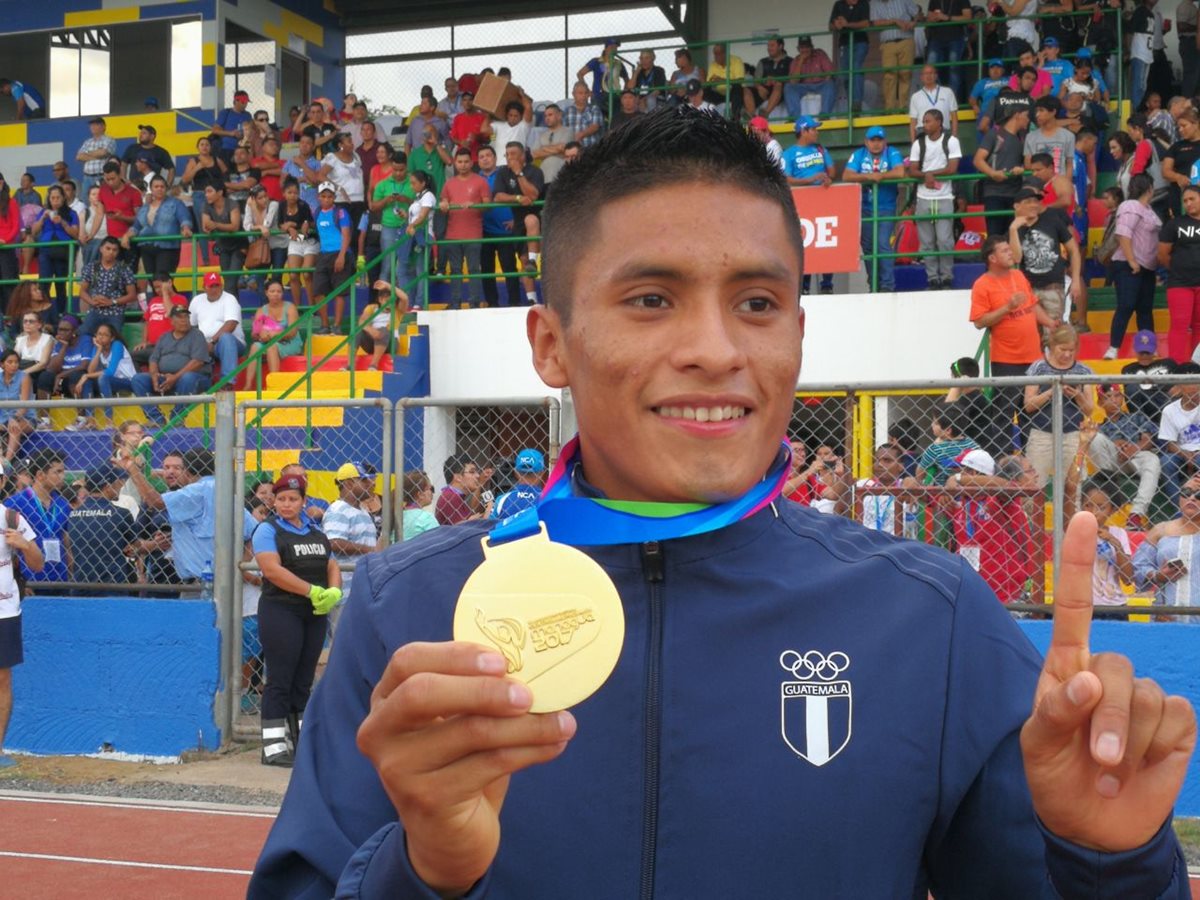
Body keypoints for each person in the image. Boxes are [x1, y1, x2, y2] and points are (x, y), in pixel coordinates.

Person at [251, 108, 1196, 898]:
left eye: (756, 303)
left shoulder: (933, 620)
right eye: (652, 299)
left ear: (796, 330)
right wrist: (424, 872)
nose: (716, 348)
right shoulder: (405, 610)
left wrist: (1107, 862)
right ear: (550, 344)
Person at [249, 471, 340, 766]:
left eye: (293, 499)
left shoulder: (315, 531)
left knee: (304, 679)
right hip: (281, 609)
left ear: (303, 501)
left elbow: (331, 564)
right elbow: (271, 570)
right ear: (274, 501)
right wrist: (311, 590)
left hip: (312, 613)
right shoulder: (267, 530)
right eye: (281, 499)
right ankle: (273, 746)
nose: (286, 504)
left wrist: (334, 591)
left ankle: (303, 740)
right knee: (280, 678)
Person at [970, 236, 1054, 438]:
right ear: (992, 257)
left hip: (1034, 358)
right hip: (1006, 359)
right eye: (1005, 250)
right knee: (1004, 413)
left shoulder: (1018, 275)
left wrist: (1051, 323)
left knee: (1033, 412)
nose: (1011, 253)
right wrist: (1008, 307)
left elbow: (1032, 306)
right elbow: (979, 321)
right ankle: (1004, 461)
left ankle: (1031, 460)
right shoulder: (982, 284)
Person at [0, 479, 43, 768]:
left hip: (4, 611)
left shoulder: (10, 517)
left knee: (2, 679)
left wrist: (25, 545)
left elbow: (38, 564)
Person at [1023, 325, 1096, 491]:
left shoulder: (1082, 371)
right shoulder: (1038, 368)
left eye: (1071, 350)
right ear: (1052, 345)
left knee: (1073, 487)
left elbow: (1089, 409)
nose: (1067, 354)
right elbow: (1029, 405)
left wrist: (1077, 395)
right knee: (1033, 486)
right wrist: (1051, 392)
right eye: (1063, 349)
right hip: (1042, 433)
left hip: (1072, 434)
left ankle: (1072, 517)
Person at [1102, 172, 1163, 361]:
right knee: (1126, 306)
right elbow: (1123, 234)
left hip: (1147, 267)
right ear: (1150, 189)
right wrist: (1131, 261)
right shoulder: (1131, 206)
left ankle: (1148, 349)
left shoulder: (1149, 209)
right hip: (1129, 265)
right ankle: (1113, 348)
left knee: (1145, 309)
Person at [1009, 183, 1082, 330]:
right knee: (1033, 335)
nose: (1034, 205)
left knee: (1053, 333)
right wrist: (1013, 229)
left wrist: (1075, 281)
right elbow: (1016, 258)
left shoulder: (1052, 219)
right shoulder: (1014, 228)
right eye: (1028, 202)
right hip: (1028, 290)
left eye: (1035, 201)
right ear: (1016, 206)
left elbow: (1074, 250)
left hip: (1053, 286)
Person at [1089, 384, 1161, 531]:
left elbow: (1148, 439)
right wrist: (1115, 444)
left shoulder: (1137, 417)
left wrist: (1133, 448)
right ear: (1100, 403)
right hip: (1114, 462)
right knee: (1095, 437)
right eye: (1108, 397)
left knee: (1153, 459)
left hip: (1137, 457)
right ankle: (1109, 484)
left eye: (1117, 396)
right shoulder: (1100, 427)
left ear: (1122, 398)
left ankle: (1136, 514)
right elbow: (1101, 447)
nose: (1114, 400)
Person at [842, 127, 906, 293]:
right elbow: (846, 175)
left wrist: (882, 176)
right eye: (873, 140)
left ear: (885, 142)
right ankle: (874, 284)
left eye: (879, 140)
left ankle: (887, 285)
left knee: (883, 244)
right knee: (868, 247)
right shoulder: (859, 154)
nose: (876, 144)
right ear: (866, 142)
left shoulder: (892, 152)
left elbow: (900, 172)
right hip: (864, 208)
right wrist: (869, 177)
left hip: (886, 207)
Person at [1134, 471, 1200, 620]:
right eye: (1187, 492)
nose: (1191, 498)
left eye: (1199, 495)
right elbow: (1138, 566)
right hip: (1166, 616)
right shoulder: (1160, 530)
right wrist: (1158, 576)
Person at [907, 109, 961, 291]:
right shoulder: (918, 143)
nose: (924, 124)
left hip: (944, 196)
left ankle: (946, 277)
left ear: (939, 122)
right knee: (927, 242)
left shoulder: (951, 141)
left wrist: (929, 174)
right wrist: (928, 176)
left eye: (928, 121)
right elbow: (912, 169)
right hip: (923, 197)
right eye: (924, 121)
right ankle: (932, 278)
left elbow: (952, 169)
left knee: (945, 240)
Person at [783, 117, 835, 294]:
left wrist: (827, 178)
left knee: (826, 241)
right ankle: (804, 286)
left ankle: (827, 284)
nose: (817, 132)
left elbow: (832, 171)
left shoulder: (820, 149)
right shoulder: (789, 153)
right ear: (804, 131)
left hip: (823, 202)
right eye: (813, 129)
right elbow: (786, 178)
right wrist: (809, 180)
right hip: (802, 205)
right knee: (805, 243)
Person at [131, 306, 212, 421]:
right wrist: (154, 375)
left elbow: (197, 362)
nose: (184, 320)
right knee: (138, 379)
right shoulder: (164, 337)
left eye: (186, 317)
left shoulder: (197, 335)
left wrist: (175, 377)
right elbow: (153, 359)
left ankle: (176, 418)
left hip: (195, 379)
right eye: (180, 317)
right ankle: (157, 419)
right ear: (172, 321)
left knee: (188, 378)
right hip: (166, 378)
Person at [66, 462, 136, 593]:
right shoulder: (121, 513)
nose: (121, 485)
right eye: (117, 482)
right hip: (113, 589)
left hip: (81, 587)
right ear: (108, 486)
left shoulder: (73, 515)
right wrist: (155, 544)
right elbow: (136, 546)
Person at [492, 143, 546, 306]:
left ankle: (533, 260)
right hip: (517, 221)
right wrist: (517, 198)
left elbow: (533, 195)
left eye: (513, 154)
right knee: (522, 261)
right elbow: (497, 196)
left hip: (538, 219)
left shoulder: (535, 171)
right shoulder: (502, 172)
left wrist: (518, 173)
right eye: (507, 154)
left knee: (531, 219)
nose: (509, 158)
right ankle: (532, 299)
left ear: (523, 155)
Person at [7, 449, 71, 587]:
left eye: (63, 471)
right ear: (40, 475)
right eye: (57, 472)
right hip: (28, 579)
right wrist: (15, 579)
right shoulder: (15, 503)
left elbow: (65, 539)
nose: (63, 476)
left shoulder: (63, 504)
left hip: (60, 579)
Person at [439, 148, 491, 309]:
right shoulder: (449, 183)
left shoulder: (480, 181)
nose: (463, 165)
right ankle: (455, 302)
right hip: (453, 233)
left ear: (471, 162)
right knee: (455, 269)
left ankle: (474, 302)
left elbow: (488, 205)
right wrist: (443, 205)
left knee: (474, 268)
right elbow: (443, 202)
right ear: (455, 163)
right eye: (460, 162)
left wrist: (475, 205)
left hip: (473, 233)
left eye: (466, 161)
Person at [123, 175, 192, 289]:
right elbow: (136, 226)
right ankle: (163, 306)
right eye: (156, 186)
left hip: (167, 247)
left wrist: (185, 228)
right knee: (153, 283)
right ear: (151, 189)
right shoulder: (145, 207)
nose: (159, 189)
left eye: (162, 186)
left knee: (163, 281)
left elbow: (184, 218)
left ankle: (175, 305)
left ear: (166, 188)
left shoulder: (176, 203)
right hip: (146, 248)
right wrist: (127, 235)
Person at [324, 462, 380, 602]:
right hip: (345, 591)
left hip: (361, 588)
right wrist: (372, 550)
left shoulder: (362, 510)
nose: (372, 484)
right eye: (365, 480)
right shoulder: (338, 510)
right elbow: (334, 543)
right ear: (349, 484)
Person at [973, 104, 1030, 236]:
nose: (1028, 119)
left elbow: (1027, 164)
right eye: (1026, 116)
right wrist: (993, 173)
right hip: (994, 193)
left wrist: (1021, 169)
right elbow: (978, 160)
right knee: (995, 236)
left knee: (1014, 235)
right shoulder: (994, 134)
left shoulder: (1023, 138)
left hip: (1015, 194)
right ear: (1017, 115)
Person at [1160, 183, 1200, 362]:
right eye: (1185, 201)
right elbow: (1162, 254)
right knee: (1179, 326)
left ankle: (1196, 368)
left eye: (1192, 199)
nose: (1188, 203)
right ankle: (1175, 368)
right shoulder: (1175, 224)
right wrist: (1180, 268)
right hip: (1180, 284)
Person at [477, 146, 519, 309]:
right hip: (483, 231)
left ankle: (515, 303)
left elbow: (519, 196)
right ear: (478, 161)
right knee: (487, 271)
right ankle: (492, 303)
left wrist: (516, 219)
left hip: (505, 231)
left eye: (488, 155)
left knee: (510, 269)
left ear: (495, 158)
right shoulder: (474, 178)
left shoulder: (506, 174)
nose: (485, 159)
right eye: (481, 156)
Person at [74, 321, 135, 428]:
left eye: (105, 335)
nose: (101, 337)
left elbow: (110, 372)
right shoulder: (98, 348)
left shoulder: (117, 345)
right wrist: (98, 350)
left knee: (101, 378)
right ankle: (90, 420)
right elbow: (90, 371)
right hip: (110, 382)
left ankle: (109, 421)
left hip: (127, 382)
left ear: (111, 338)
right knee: (88, 381)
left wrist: (86, 376)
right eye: (99, 334)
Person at [243, 280, 300, 390]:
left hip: (289, 342)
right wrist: (261, 335)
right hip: (267, 341)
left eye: (279, 291)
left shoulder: (290, 307)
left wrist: (275, 334)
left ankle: (274, 385)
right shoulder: (261, 310)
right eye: (272, 291)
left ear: (282, 293)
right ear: (266, 293)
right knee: (255, 346)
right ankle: (248, 385)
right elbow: (254, 335)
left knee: (271, 347)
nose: (275, 294)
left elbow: (292, 332)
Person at [1158, 361, 1200, 508]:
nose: (1194, 395)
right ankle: (1180, 508)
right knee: (1166, 462)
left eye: (1197, 391)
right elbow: (1169, 443)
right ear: (1180, 388)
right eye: (1189, 392)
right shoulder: (1169, 410)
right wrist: (1185, 454)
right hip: (1181, 452)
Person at [312, 182, 353, 333]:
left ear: (334, 198)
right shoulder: (316, 212)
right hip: (323, 254)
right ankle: (324, 325)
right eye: (323, 196)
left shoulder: (340, 212)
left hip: (339, 253)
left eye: (330, 196)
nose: (327, 199)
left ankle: (337, 325)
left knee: (339, 291)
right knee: (318, 291)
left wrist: (342, 256)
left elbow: (346, 234)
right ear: (318, 197)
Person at [870, 0, 920, 111]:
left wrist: (914, 22)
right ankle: (889, 109)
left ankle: (903, 107)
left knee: (905, 74)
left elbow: (917, 13)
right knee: (889, 76)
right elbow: (875, 22)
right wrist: (894, 21)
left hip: (906, 40)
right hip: (887, 43)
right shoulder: (874, 3)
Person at [279, 177, 318, 309]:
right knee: (293, 275)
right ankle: (298, 308)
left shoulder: (303, 205)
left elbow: (308, 225)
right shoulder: (281, 205)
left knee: (307, 274)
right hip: (295, 242)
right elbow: (280, 224)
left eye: (295, 193)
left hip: (309, 241)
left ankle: (313, 308)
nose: (293, 195)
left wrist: (297, 226)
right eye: (289, 192)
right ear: (284, 193)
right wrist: (289, 228)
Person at [200, 181, 245, 295]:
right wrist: (209, 227)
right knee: (229, 281)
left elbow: (234, 227)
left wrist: (215, 225)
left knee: (231, 282)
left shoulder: (232, 203)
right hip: (223, 246)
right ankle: (235, 310)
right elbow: (205, 226)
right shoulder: (206, 205)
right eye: (205, 192)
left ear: (220, 192)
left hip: (239, 245)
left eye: (210, 191)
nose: (206, 195)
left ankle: (232, 311)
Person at [1125, 330, 1178, 420]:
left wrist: (1180, 386)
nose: (1145, 356)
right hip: (1147, 407)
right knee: (1131, 388)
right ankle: (1143, 425)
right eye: (1141, 352)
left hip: (1168, 402)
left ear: (1155, 349)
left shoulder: (1169, 363)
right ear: (1135, 349)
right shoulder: (1128, 369)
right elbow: (1132, 398)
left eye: (1148, 352)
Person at [783, 37, 836, 119]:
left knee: (830, 84)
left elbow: (829, 72)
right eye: (802, 47)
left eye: (807, 47)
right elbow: (793, 81)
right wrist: (800, 61)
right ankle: (794, 117)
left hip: (820, 84)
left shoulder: (820, 55)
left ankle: (824, 115)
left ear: (812, 47)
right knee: (789, 87)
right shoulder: (796, 60)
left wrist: (826, 81)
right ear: (798, 49)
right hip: (804, 87)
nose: (804, 50)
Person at [908, 64, 959, 142]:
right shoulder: (915, 96)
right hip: (923, 134)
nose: (929, 76)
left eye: (931, 73)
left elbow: (954, 117)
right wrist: (913, 143)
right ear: (921, 77)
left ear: (936, 76)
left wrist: (954, 138)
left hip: (943, 132)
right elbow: (913, 122)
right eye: (926, 74)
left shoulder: (948, 92)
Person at [435, 454, 489, 525]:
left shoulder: (454, 495)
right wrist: (489, 507)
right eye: (472, 472)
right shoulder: (451, 497)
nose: (478, 475)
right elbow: (464, 529)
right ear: (458, 477)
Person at [492, 449, 545, 519]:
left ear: (516, 473)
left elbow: (489, 526)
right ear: (542, 473)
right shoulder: (549, 501)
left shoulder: (502, 500)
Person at [0, 350, 33, 460]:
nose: (14, 365)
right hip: (2, 419)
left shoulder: (24, 377)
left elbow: (24, 406)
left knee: (14, 427)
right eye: (10, 362)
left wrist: (14, 418)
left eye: (16, 362)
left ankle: (7, 463)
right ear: (2, 364)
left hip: (24, 418)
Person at [75, 117, 117, 193]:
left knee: (103, 200)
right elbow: (79, 157)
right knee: (87, 202)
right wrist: (98, 156)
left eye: (96, 124)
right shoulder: (87, 142)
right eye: (91, 125)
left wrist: (87, 153)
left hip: (102, 177)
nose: (93, 127)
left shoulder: (109, 139)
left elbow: (104, 152)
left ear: (103, 126)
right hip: (87, 177)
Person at [400, 470, 439, 541]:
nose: (432, 493)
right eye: (431, 489)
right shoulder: (426, 518)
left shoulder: (395, 517)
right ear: (420, 494)